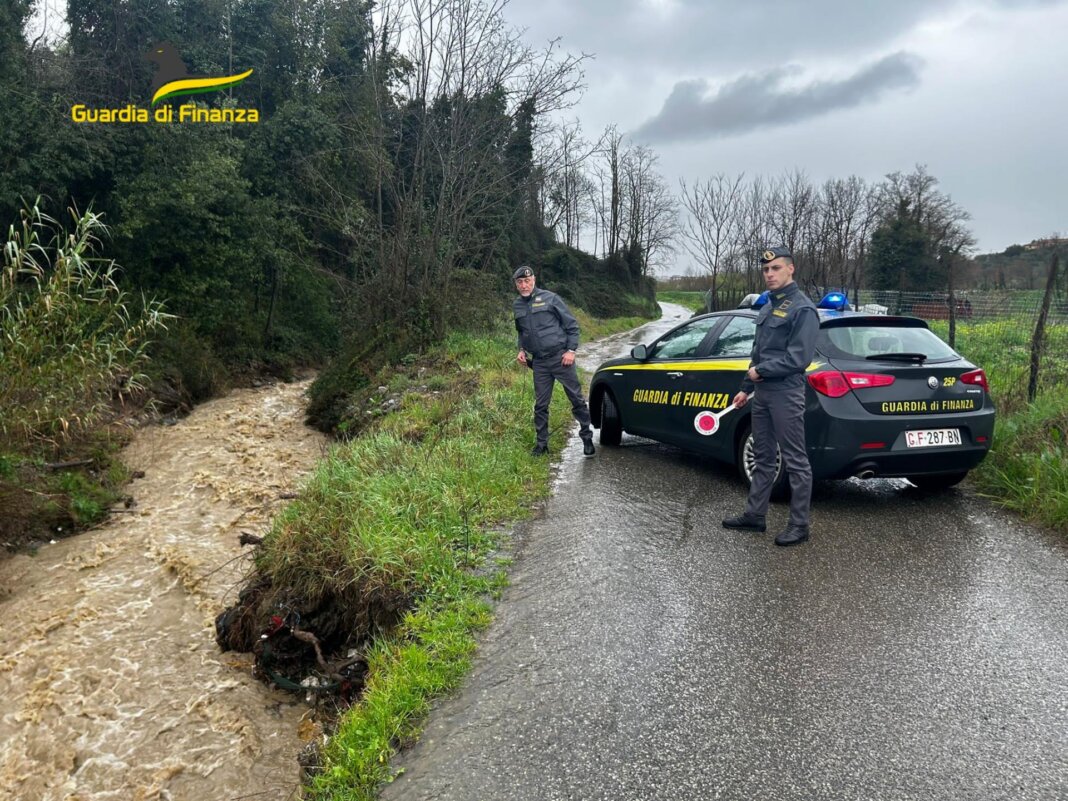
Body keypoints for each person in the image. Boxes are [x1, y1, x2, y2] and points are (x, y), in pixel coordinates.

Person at [722, 247, 818, 546]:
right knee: (764, 457)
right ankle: (755, 515)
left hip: (786, 394)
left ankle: (799, 525)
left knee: (795, 461)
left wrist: (759, 371)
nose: (770, 274)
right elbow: (757, 353)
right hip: (762, 393)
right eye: (766, 270)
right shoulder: (767, 307)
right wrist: (745, 388)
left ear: (791, 269)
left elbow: (798, 359)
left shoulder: (802, 309)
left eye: (775, 268)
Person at [512, 265, 595, 457]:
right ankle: (542, 445)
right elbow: (521, 332)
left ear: (533, 280)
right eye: (520, 282)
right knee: (541, 405)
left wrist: (571, 351)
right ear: (516, 285)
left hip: (561, 359)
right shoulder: (517, 305)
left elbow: (572, 326)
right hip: (539, 363)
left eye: (527, 281)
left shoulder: (551, 298)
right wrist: (521, 350)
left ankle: (587, 438)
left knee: (576, 399)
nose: (524, 285)